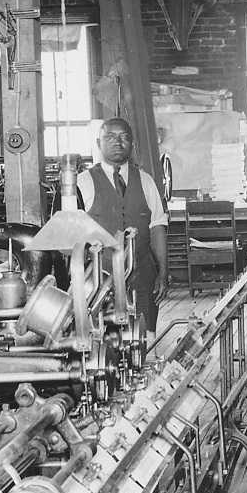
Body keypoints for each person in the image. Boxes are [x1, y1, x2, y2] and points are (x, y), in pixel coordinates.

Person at [78, 117, 169, 332]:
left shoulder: (146, 181)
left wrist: (163, 272)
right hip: (99, 283)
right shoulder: (83, 183)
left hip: (142, 278)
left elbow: (157, 227)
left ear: (132, 144)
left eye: (124, 137)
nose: (117, 142)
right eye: (110, 137)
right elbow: (71, 237)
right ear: (99, 143)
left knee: (143, 340)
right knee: (102, 346)